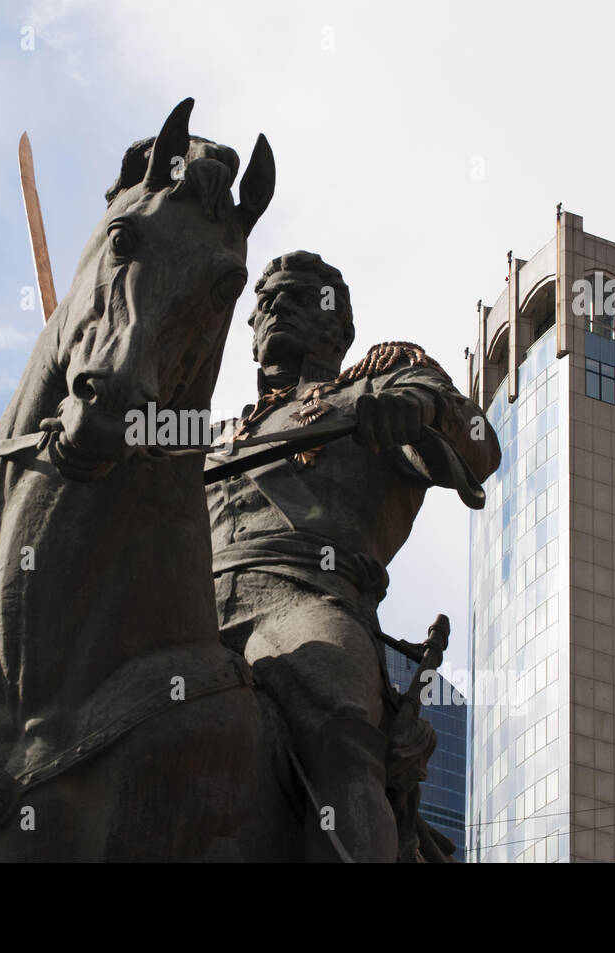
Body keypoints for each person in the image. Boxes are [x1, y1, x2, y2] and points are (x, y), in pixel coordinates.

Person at [206, 250, 500, 861]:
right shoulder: (213, 439)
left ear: (339, 328)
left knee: (338, 725)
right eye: (265, 303)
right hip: (187, 608)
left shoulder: (380, 385)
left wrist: (421, 413)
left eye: (300, 297)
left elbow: (481, 448)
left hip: (300, 601)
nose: (277, 307)